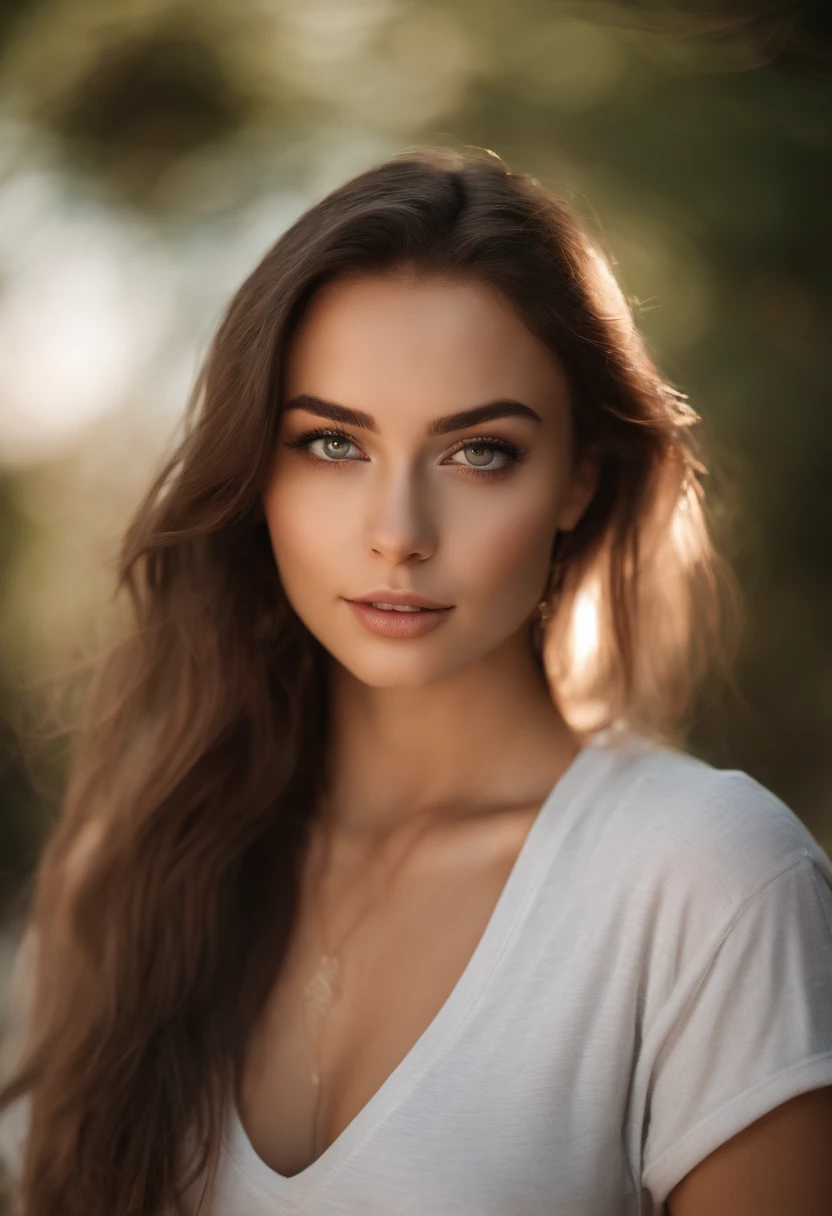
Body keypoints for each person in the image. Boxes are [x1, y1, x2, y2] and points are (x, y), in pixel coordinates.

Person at [1, 145, 831, 1216]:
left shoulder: (705, 882)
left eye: (478, 452)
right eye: (332, 444)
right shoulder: (135, 873)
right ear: (255, 468)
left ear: (580, 475)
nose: (397, 534)